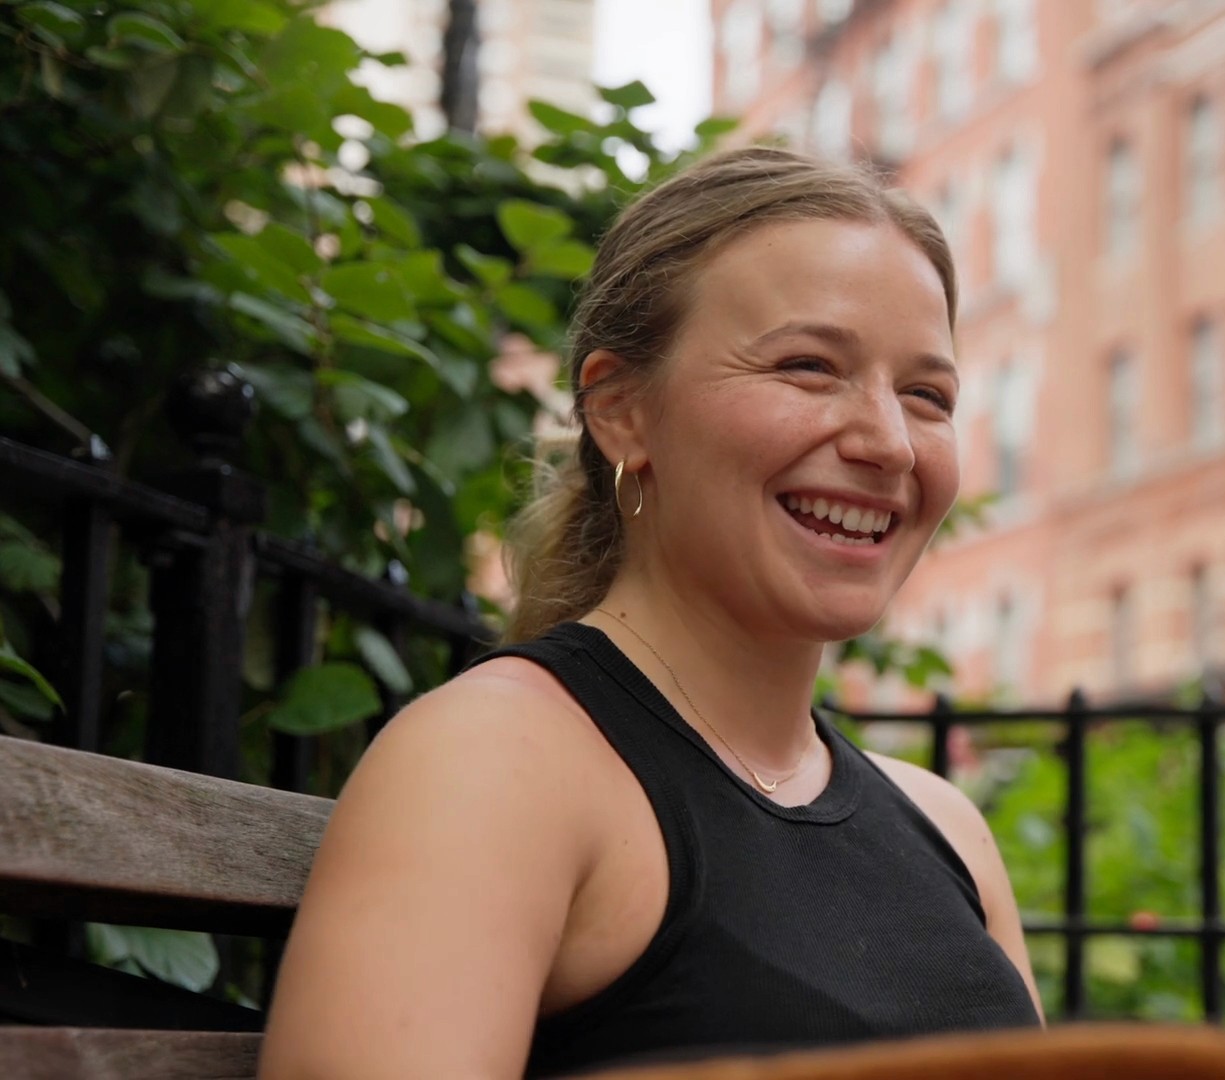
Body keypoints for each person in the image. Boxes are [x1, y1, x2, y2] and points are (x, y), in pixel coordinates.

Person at [259, 146, 1043, 1079]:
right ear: (622, 410)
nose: (888, 443)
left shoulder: (947, 826)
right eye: (807, 366)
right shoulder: (496, 763)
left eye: (927, 395)